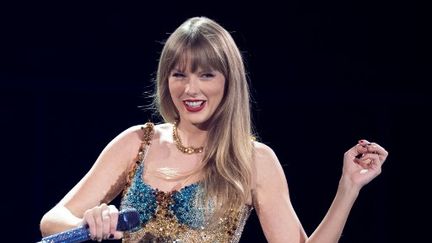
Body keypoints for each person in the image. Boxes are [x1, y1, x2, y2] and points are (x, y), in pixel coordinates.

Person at [39, 16, 388, 243]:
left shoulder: (253, 160)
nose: (191, 89)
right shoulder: (137, 142)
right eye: (180, 74)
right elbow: (52, 221)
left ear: (228, 81)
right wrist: (92, 220)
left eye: (206, 75)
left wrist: (348, 188)